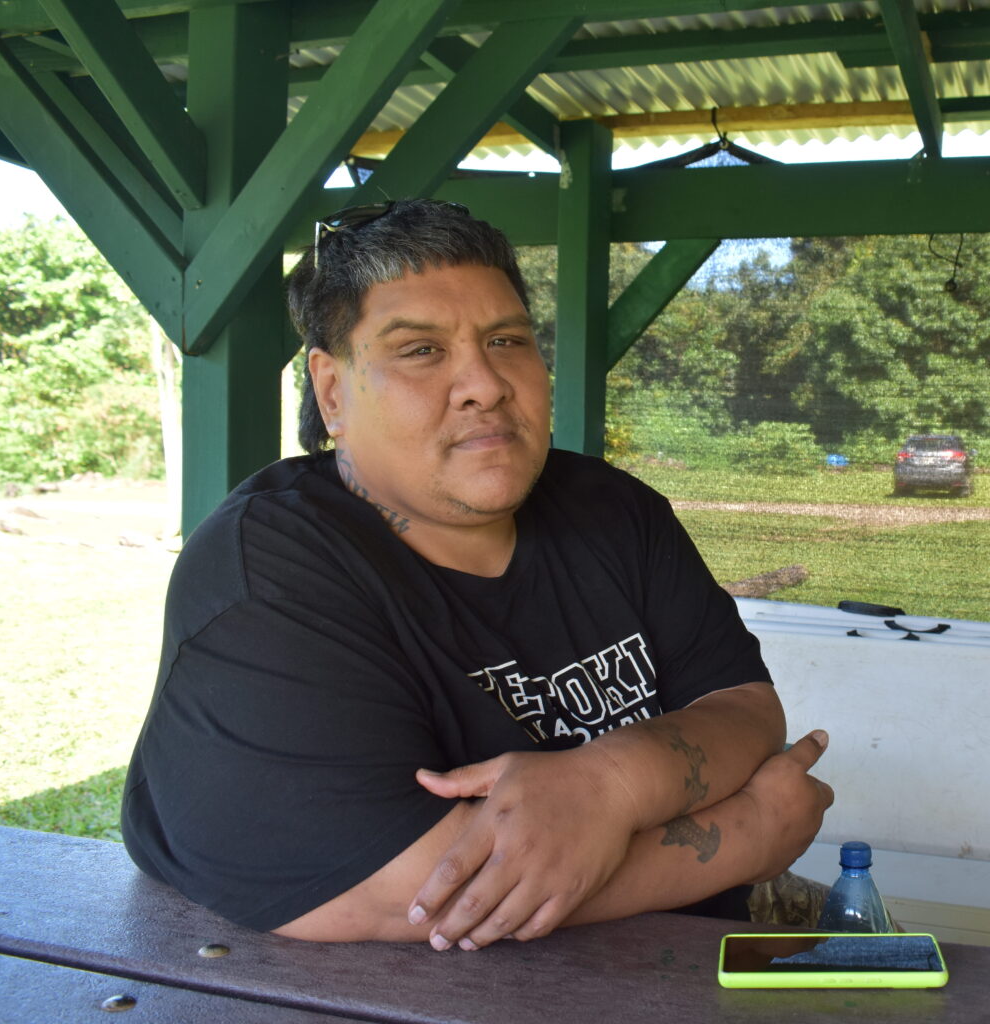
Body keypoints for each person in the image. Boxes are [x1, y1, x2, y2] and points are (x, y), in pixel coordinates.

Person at [121, 199, 832, 951]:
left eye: (506, 339)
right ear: (333, 393)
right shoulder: (269, 571)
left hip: (681, 970)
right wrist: (749, 832)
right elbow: (411, 891)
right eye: (421, 350)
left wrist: (609, 784)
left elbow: (746, 709)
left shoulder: (613, 510)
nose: (485, 383)